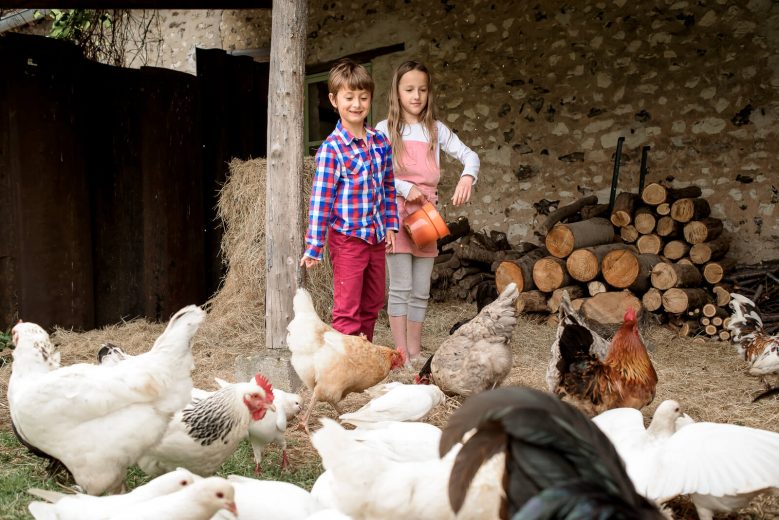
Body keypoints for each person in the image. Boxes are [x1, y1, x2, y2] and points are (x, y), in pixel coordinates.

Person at [376, 60, 480, 362]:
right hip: (395, 215)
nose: (416, 96)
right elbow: (377, 174)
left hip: (426, 217)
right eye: (409, 89)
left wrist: (467, 176)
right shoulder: (385, 129)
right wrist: (405, 188)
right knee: (401, 287)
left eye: (422, 89)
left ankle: (416, 351)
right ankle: (401, 354)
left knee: (421, 289)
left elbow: (469, 155)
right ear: (397, 91)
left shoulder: (436, 130)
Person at [301, 59, 399, 342]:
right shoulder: (332, 149)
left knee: (372, 304)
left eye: (363, 97)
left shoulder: (380, 141)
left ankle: (363, 358)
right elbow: (321, 202)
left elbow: (388, 187)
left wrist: (391, 225)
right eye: (349, 97)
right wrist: (315, 245)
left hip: (376, 238)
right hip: (347, 240)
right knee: (348, 310)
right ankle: (343, 367)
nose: (357, 104)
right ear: (334, 100)